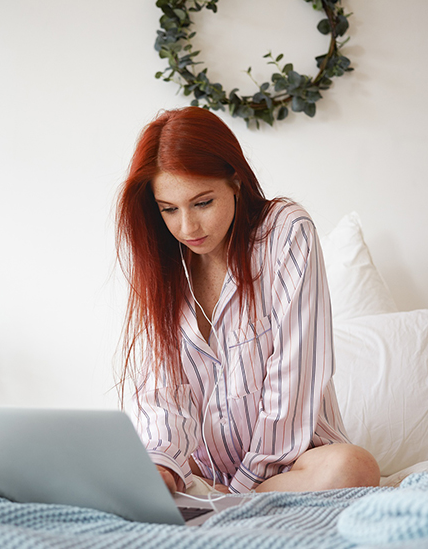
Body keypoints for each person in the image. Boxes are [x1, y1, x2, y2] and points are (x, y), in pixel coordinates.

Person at [115, 107, 380, 495]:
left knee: (353, 467)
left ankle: (232, 505)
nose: (187, 227)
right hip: (207, 470)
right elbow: (162, 396)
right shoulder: (162, 263)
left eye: (202, 202)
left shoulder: (286, 232)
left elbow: (294, 379)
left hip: (293, 463)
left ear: (235, 181)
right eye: (169, 209)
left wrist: (240, 491)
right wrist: (163, 471)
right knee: (124, 467)